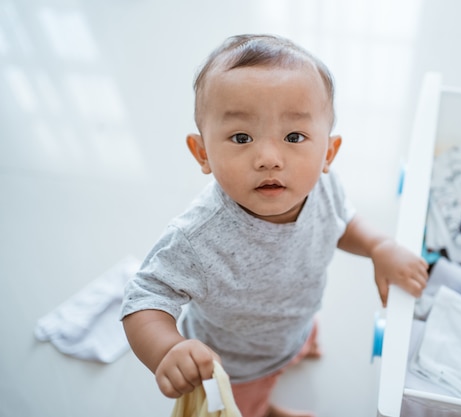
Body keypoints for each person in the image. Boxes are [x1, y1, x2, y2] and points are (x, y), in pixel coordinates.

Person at [121, 33, 429, 417]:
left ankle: (297, 352)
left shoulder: (321, 184)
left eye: (294, 136)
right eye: (241, 137)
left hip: (295, 322)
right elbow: (143, 299)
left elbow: (340, 219)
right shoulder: (197, 238)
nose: (269, 158)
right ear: (203, 152)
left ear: (327, 153)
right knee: (246, 406)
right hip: (238, 363)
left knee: (298, 342)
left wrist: (379, 246)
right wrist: (168, 349)